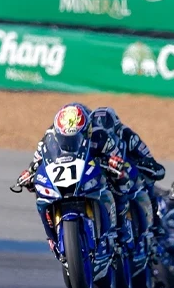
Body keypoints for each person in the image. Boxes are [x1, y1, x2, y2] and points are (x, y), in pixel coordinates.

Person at [14, 103, 133, 250]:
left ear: (86, 131)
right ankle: (51, 236)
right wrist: (30, 173)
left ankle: (121, 228)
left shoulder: (100, 135)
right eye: (65, 138)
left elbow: (116, 156)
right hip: (65, 174)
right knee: (39, 186)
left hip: (92, 173)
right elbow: (38, 160)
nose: (69, 142)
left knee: (121, 181)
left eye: (75, 137)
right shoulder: (49, 137)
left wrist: (114, 162)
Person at [88, 106, 167, 243]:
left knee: (148, 179)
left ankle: (155, 221)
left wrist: (148, 165)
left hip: (125, 170)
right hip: (99, 174)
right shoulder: (88, 138)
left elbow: (147, 156)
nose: (105, 140)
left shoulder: (128, 136)